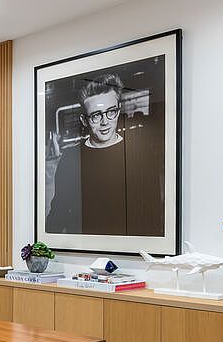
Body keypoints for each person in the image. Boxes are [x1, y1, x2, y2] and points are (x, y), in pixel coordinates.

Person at [46, 74, 164, 237]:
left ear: (118, 110)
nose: (105, 122)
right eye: (96, 115)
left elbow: (153, 216)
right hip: (83, 250)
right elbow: (57, 217)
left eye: (111, 112)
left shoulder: (141, 155)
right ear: (84, 120)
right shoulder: (70, 159)